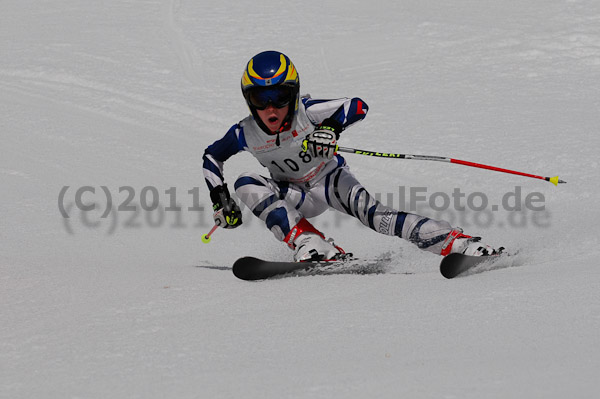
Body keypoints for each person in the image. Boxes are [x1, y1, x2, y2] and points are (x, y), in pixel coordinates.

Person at [202, 50, 502, 262]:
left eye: (279, 97)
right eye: (259, 98)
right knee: (245, 181)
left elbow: (356, 105)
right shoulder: (245, 132)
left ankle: (458, 243)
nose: (270, 109)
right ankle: (310, 243)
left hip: (330, 181)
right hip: (294, 195)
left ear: (292, 94)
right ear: (248, 99)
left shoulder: (306, 112)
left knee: (375, 216)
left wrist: (331, 128)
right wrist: (221, 200)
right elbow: (212, 157)